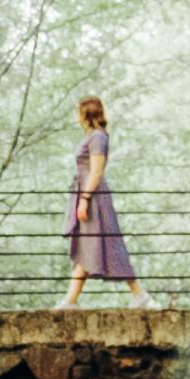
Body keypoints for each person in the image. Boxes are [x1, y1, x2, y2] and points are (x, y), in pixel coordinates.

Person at [61, 95, 146, 307]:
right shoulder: (92, 137)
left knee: (108, 243)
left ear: (85, 114)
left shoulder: (98, 137)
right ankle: (71, 301)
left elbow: (96, 171)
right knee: (85, 247)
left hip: (93, 199)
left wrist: (85, 199)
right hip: (87, 197)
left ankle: (139, 294)